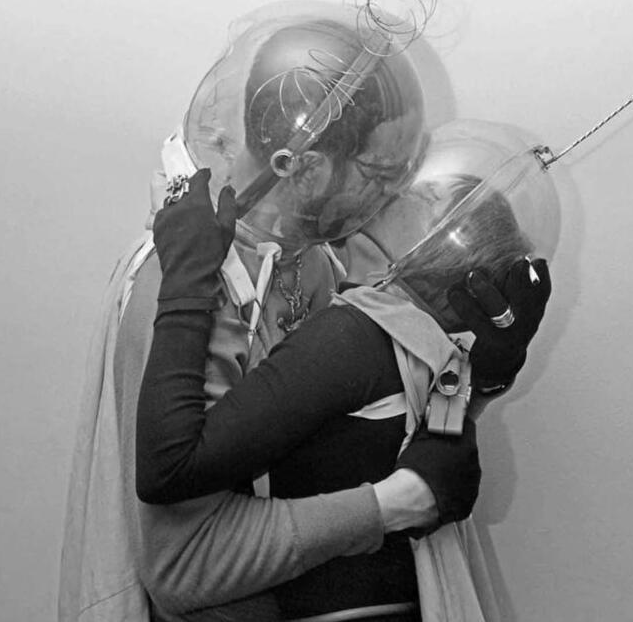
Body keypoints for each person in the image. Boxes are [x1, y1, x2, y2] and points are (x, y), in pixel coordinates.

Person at [59, 3, 490, 622]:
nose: (392, 195)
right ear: (306, 169)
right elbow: (185, 568)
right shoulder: (189, 280)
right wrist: (392, 506)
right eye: (379, 174)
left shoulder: (313, 259)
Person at [135, 129, 552, 621]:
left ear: (436, 246)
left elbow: (172, 468)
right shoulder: (425, 348)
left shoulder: (352, 334)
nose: (393, 189)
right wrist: (480, 383)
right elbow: (438, 451)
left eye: (423, 195)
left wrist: (187, 279)